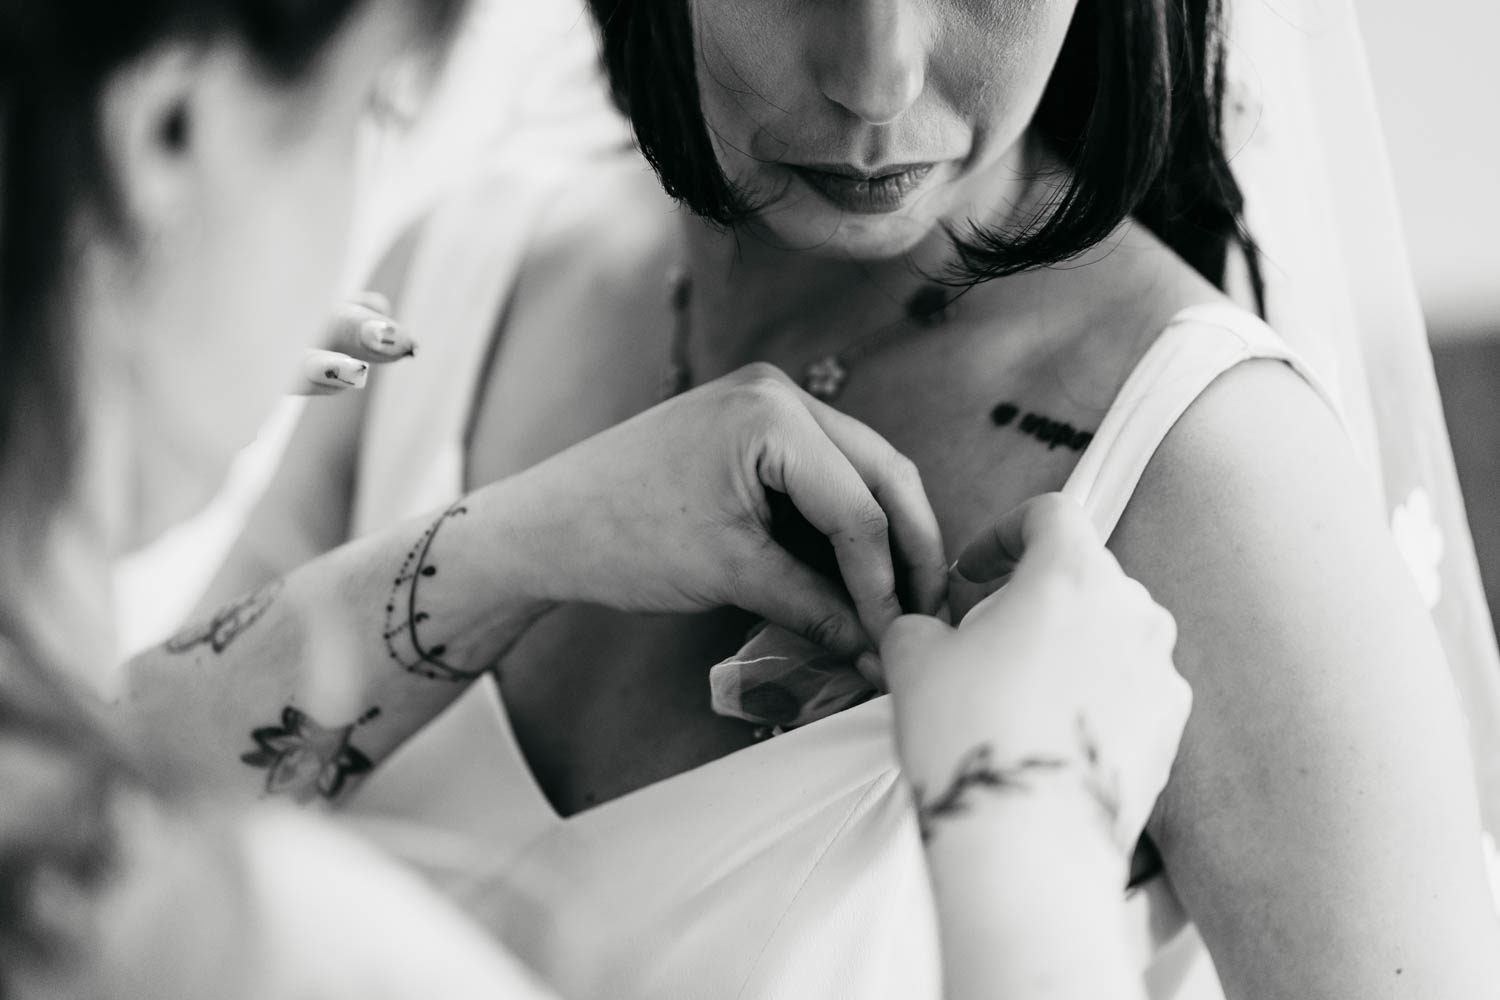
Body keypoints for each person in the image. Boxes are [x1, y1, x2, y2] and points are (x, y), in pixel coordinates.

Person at [191, 0, 1500, 997]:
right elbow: (117, 849)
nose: (878, 79)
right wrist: (511, 548)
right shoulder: (467, 274)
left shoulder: (1215, 479)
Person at [0, 0, 1194, 996]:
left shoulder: (1199, 452)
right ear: (164, 132)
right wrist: (1028, 831)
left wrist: (508, 548)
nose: (879, 80)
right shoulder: (256, 937)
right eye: (370, 110)